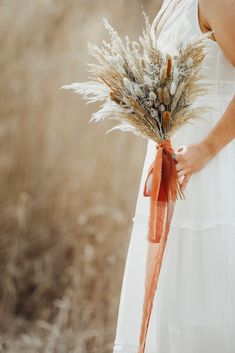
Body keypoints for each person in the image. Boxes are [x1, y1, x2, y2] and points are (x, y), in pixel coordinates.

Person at [112, 0, 235, 352]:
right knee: (172, 292)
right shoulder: (173, 3)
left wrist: (207, 149)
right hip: (172, 160)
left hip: (210, 164)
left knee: (207, 288)